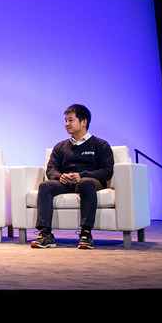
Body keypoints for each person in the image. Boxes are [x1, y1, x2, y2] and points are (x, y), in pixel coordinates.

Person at [31, 104, 114, 250]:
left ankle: (86, 233)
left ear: (84, 122)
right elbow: (51, 169)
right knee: (45, 185)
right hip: (66, 182)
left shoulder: (100, 145)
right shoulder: (60, 147)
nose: (66, 124)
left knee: (86, 183)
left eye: (71, 120)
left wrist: (82, 175)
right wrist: (60, 176)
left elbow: (107, 171)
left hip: (90, 181)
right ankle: (45, 234)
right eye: (65, 121)